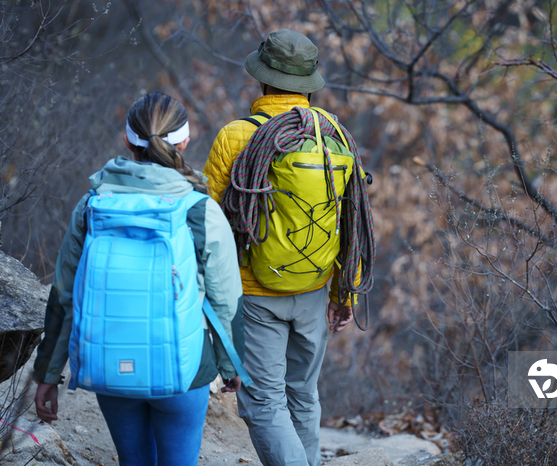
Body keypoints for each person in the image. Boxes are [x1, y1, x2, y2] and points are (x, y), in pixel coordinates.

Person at [33, 92, 244, 466]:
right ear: (185, 141)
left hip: (110, 365)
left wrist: (48, 373)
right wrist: (233, 366)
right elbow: (227, 299)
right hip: (185, 370)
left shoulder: (91, 205)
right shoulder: (200, 210)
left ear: (129, 140)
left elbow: (64, 294)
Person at [203, 30, 359, 466]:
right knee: (303, 396)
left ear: (262, 80)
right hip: (315, 289)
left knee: (263, 404)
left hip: (254, 291)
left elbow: (207, 222)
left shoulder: (237, 137)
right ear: (309, 83)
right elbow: (352, 223)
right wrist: (345, 292)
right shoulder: (334, 137)